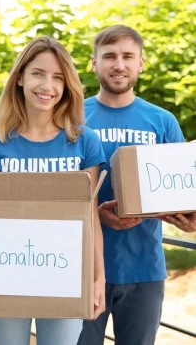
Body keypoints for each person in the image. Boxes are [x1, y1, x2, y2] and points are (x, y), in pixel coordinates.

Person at [0, 35, 106, 345]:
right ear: (21, 77)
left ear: (67, 86)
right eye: (38, 73)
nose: (47, 86)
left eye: (57, 78)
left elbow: (89, 216)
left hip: (65, 274)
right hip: (5, 274)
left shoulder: (84, 141)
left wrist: (98, 278)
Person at [77, 25, 186, 345]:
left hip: (144, 269)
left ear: (141, 63)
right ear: (94, 63)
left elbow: (184, 188)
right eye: (109, 56)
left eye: (127, 56)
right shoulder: (71, 117)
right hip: (81, 268)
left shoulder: (163, 122)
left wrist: (190, 218)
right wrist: (97, 212)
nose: (119, 64)